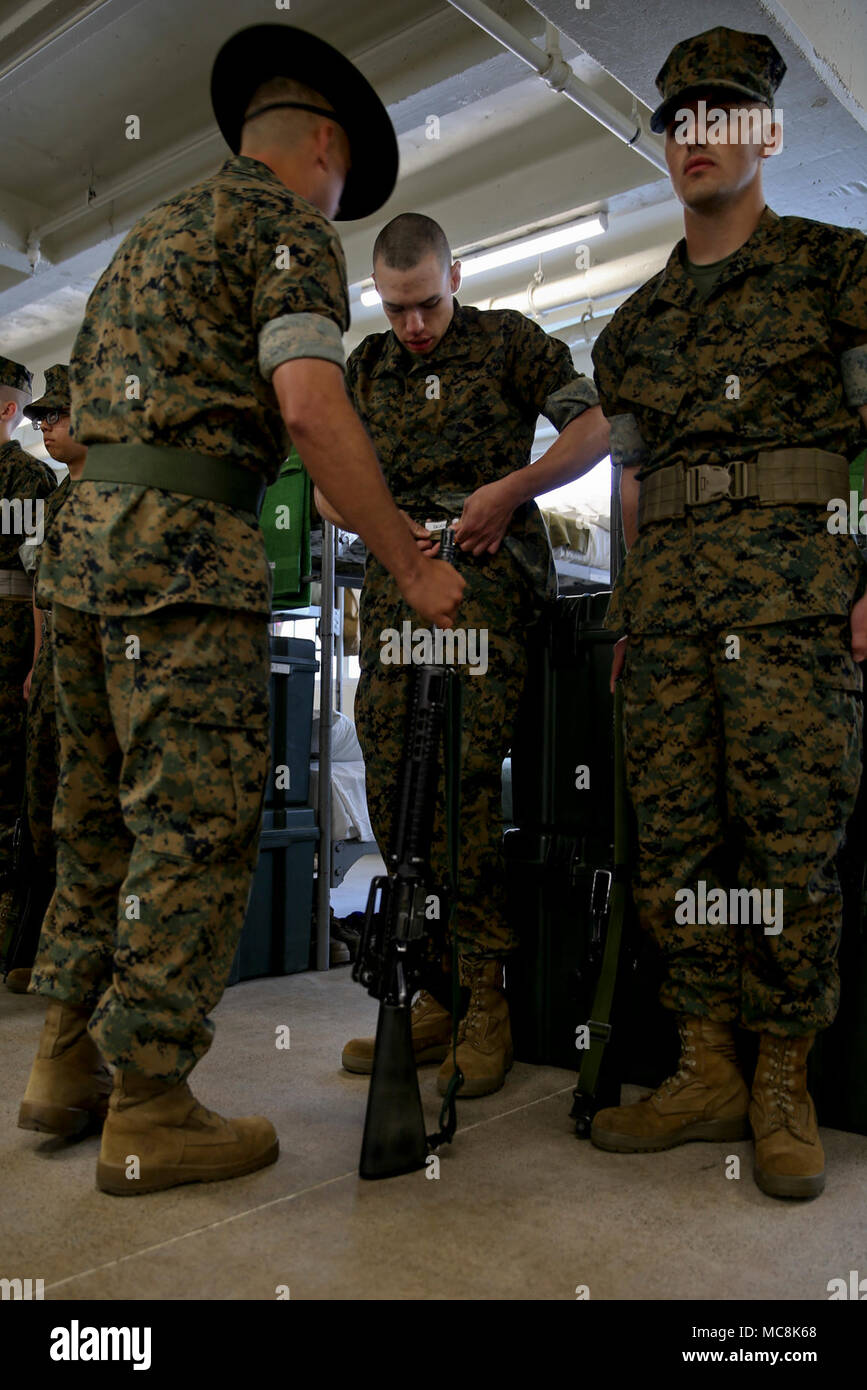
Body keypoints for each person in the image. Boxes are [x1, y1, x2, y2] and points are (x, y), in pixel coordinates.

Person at [17, 23, 464, 1197]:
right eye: (345, 183)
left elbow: (80, 427)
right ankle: (150, 1105)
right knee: (194, 825)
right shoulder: (288, 230)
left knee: (95, 819)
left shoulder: (145, 236)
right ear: (326, 147)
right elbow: (311, 409)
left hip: (82, 556)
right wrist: (410, 563)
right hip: (182, 561)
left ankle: (64, 1061)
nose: (339, 205)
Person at [589, 26, 867, 1199]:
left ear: (768, 133)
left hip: (797, 603)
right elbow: (631, 487)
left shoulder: (837, 271)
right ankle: (705, 1065)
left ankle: (783, 1081)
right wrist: (627, 617)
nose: (695, 138)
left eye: (723, 115)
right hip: (670, 618)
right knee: (679, 842)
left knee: (790, 840)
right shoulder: (632, 328)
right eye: (678, 122)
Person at [319, 213, 610, 1097]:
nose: (412, 325)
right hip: (396, 575)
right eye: (395, 307)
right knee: (392, 776)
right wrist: (379, 522)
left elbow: (596, 426)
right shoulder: (365, 367)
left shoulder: (508, 341)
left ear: (455, 277)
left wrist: (510, 490)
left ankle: (487, 996)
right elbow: (326, 483)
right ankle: (437, 989)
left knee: (458, 777)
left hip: (484, 568)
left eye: (427, 304)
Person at [4, 366, 85, 994]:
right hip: (50, 659)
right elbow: (41, 585)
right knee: (41, 802)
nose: (47, 426)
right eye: (42, 416)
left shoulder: (52, 483)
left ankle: (65, 950)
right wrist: (38, 661)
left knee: (76, 805)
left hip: (83, 663)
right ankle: (38, 942)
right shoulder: (57, 497)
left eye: (56, 415)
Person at [0, 356, 57, 962]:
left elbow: (40, 579)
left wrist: (37, 664)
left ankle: (9, 924)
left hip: (9, 640)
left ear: (7, 409)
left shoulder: (29, 479)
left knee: (7, 782)